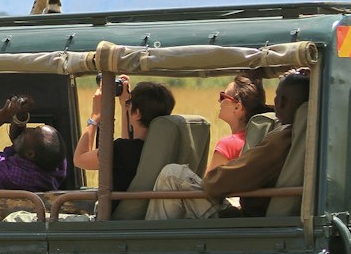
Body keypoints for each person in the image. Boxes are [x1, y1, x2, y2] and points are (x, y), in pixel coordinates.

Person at [146, 68, 311, 220]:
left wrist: (210, 180)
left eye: (223, 97)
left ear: (281, 101)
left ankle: (152, 245)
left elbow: (217, 182)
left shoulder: (282, 139)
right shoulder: (306, 134)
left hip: (248, 223)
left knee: (172, 174)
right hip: (258, 214)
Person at [72, 78, 176, 191]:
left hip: (115, 208)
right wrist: (124, 104)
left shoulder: (122, 150)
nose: (128, 105)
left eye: (129, 104)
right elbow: (129, 143)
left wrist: (95, 117)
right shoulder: (165, 148)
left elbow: (79, 159)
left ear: (137, 113)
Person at [208, 74, 272, 173]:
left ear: (237, 107)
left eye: (223, 97)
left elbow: (207, 185)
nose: (218, 101)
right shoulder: (265, 139)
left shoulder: (227, 145)